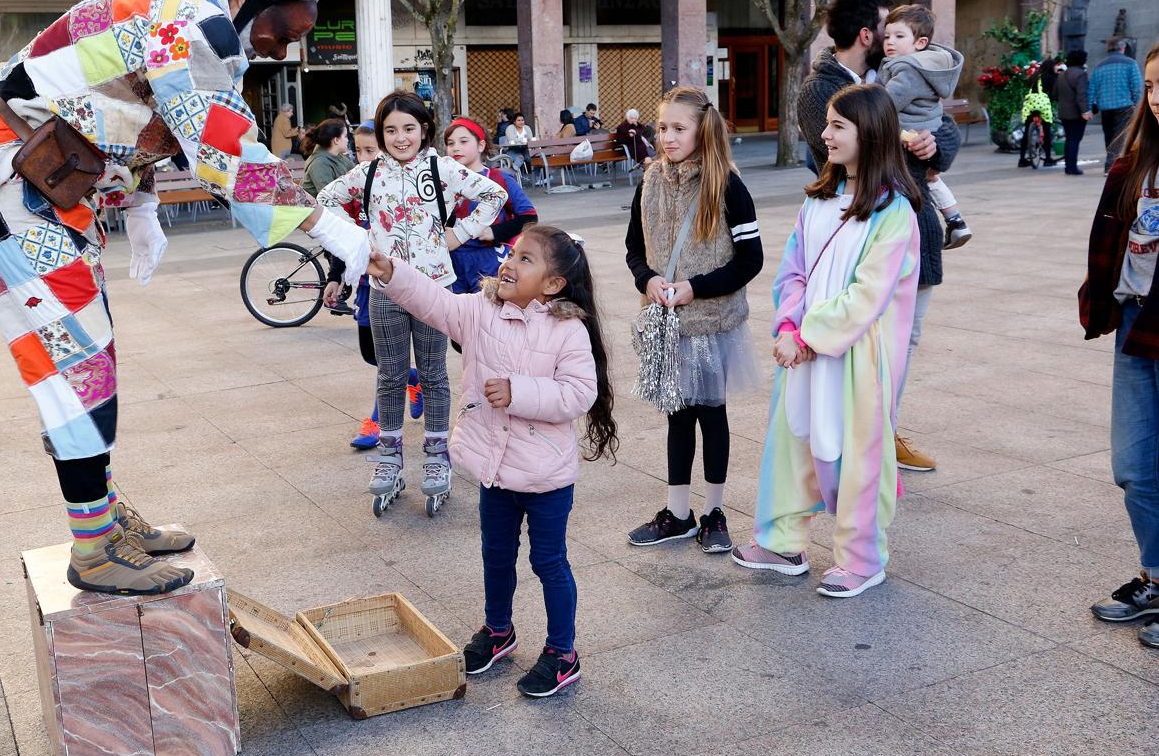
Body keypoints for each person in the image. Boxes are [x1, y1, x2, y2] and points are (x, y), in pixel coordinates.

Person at [0, 0, 371, 596]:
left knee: (89, 359)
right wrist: (326, 225)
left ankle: (104, 520)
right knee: (77, 367)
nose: (285, 48)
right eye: (285, 32)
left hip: (39, 183)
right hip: (7, 179)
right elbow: (219, 149)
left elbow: (137, 112)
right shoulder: (194, 24)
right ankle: (92, 549)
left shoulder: (189, 17)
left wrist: (141, 205)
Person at [365, 224, 617, 697]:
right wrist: (393, 272)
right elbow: (434, 301)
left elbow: (579, 393)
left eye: (526, 260)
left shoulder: (568, 329)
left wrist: (519, 393)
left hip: (545, 476)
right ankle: (498, 630)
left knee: (549, 562)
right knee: (496, 555)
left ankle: (563, 653)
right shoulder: (481, 311)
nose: (509, 262)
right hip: (495, 470)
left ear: (553, 284)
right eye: (512, 253)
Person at [733, 84, 922, 598]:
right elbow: (792, 271)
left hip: (859, 357)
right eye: (828, 124)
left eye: (839, 125)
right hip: (806, 349)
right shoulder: (817, 201)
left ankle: (862, 559)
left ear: (871, 133)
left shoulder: (895, 213)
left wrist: (809, 335)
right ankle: (780, 541)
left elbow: (869, 295)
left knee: (858, 452)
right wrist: (791, 328)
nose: (826, 134)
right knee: (793, 439)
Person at [317, 91, 506, 509]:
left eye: (409, 128)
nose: (400, 138)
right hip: (384, 289)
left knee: (435, 374)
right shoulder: (366, 173)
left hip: (436, 288)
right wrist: (359, 242)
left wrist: (456, 235)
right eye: (390, 130)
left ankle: (437, 457)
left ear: (424, 130)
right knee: (389, 375)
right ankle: (389, 458)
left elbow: (494, 196)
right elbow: (325, 200)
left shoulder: (443, 168)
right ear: (380, 134)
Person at [799, 0, 955, 475]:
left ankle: (884, 431)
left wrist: (933, 143)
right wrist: (909, 145)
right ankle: (858, 439)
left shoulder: (896, 78)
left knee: (903, 340)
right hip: (860, 230)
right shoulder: (823, 88)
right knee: (855, 338)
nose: (894, 39)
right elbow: (834, 159)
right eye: (888, 30)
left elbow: (942, 127)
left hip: (914, 224)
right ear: (867, 34)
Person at [624, 87, 763, 550]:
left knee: (712, 415)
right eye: (662, 127)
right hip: (666, 327)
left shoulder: (727, 185)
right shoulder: (648, 183)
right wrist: (647, 280)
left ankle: (714, 512)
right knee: (677, 417)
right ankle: (678, 512)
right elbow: (634, 250)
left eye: (678, 128)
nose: (667, 136)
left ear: (703, 130)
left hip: (712, 325)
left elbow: (751, 259)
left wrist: (695, 287)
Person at [1080, 41, 1159, 649]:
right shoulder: (1132, 164)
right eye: (1153, 87)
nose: (1158, 99)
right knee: (1134, 466)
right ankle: (1154, 577)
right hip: (1137, 324)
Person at [324, 122, 424, 451]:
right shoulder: (356, 190)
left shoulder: (408, 188)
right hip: (369, 288)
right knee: (373, 356)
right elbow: (344, 241)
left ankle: (377, 422)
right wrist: (336, 278)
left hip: (407, 285)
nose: (363, 158)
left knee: (388, 362)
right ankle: (414, 379)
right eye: (359, 150)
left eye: (371, 151)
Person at [877, 4, 972, 248]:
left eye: (899, 36)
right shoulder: (922, 65)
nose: (890, 42)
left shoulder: (910, 70)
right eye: (887, 35)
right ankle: (956, 220)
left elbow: (886, 102)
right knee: (931, 177)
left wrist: (864, 98)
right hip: (926, 129)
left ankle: (952, 222)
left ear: (920, 43)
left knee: (917, 181)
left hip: (912, 134)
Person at [443, 116, 538, 296]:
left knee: (491, 314)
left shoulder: (498, 179)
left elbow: (529, 216)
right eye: (450, 143)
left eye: (463, 141)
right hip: (451, 262)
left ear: (481, 145)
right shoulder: (442, 183)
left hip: (490, 261)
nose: (455, 147)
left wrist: (495, 232)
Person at [1090, 37, 1145, 172]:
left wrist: (1089, 107)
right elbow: (1137, 87)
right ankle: (1112, 166)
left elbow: (1091, 88)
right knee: (1120, 137)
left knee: (1109, 137)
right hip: (1125, 106)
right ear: (1122, 48)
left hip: (1105, 107)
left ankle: (1112, 164)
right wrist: (1137, 105)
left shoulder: (1099, 66)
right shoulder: (1130, 63)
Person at [1057, 50, 1093, 176]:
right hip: (1076, 113)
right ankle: (1072, 167)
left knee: (1069, 139)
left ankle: (1068, 166)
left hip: (1063, 112)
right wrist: (1085, 111)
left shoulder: (1061, 75)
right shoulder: (1081, 74)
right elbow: (1081, 94)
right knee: (1074, 139)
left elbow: (1055, 94)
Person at [300, 118, 355, 197]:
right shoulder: (319, 164)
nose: (348, 140)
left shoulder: (338, 156)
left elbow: (357, 175)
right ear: (336, 140)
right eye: (345, 136)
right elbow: (329, 198)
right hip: (317, 208)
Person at [1017, 72, 1058, 169]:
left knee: (1027, 132)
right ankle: (1048, 158)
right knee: (1047, 129)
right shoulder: (1049, 77)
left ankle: (1022, 159)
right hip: (1042, 107)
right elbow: (1053, 93)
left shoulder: (1033, 77)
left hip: (1030, 106)